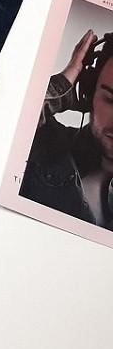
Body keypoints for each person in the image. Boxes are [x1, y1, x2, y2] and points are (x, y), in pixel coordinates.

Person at [20, 29, 113, 228]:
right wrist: (62, 88)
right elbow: (0, 123)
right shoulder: (44, 142)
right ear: (89, 92)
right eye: (111, 100)